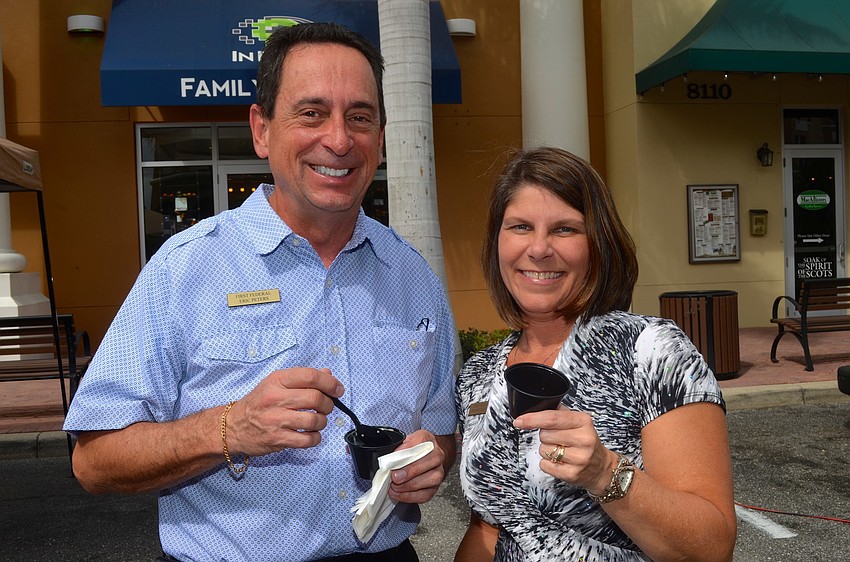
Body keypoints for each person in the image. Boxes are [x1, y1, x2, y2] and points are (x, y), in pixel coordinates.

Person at [64, 22, 458, 562]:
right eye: (312, 113)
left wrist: (432, 457)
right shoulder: (185, 270)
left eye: (360, 117)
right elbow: (93, 460)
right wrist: (230, 428)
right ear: (262, 129)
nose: (339, 140)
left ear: (382, 137)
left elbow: (440, 429)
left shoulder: (412, 276)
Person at [453, 147, 736, 561]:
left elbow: (712, 548)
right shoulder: (479, 374)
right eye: (520, 226)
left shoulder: (651, 351)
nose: (539, 249)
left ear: (598, 244)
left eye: (565, 229)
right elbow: (491, 528)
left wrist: (605, 472)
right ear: (497, 240)